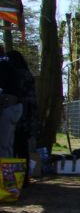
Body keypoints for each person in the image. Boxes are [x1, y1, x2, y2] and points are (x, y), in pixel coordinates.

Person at [8, 51, 38, 184]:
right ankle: (23, 178)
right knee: (22, 148)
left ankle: (14, 177)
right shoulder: (27, 74)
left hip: (19, 113)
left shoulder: (16, 75)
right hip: (27, 115)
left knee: (14, 147)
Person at [0, 51, 23, 158]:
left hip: (8, 106)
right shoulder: (10, 67)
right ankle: (8, 164)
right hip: (16, 106)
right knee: (8, 143)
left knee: (3, 143)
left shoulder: (3, 66)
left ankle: (3, 165)